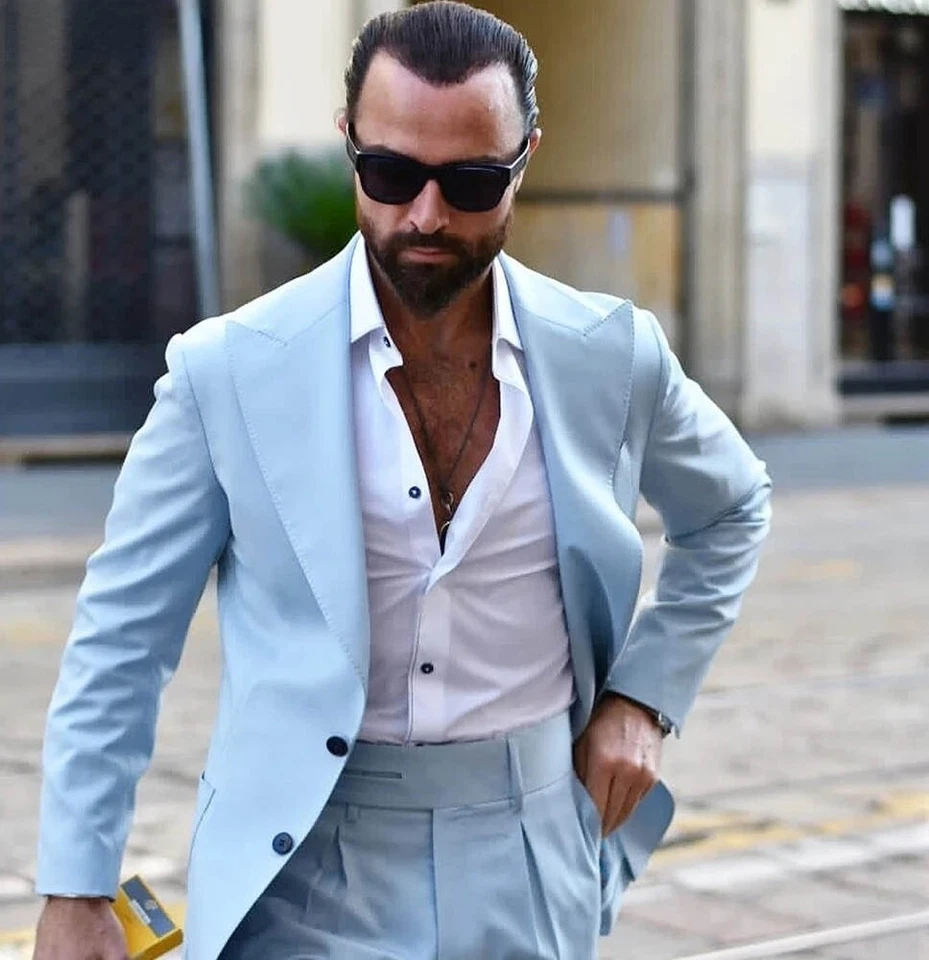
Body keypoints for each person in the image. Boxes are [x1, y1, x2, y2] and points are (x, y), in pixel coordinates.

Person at [33, 3, 772, 958]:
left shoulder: (611, 354)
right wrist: (77, 888)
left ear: (524, 158)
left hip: (534, 848)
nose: (424, 215)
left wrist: (642, 697)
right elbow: (119, 645)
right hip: (300, 865)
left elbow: (732, 507)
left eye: (468, 182)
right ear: (348, 146)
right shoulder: (226, 372)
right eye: (389, 173)